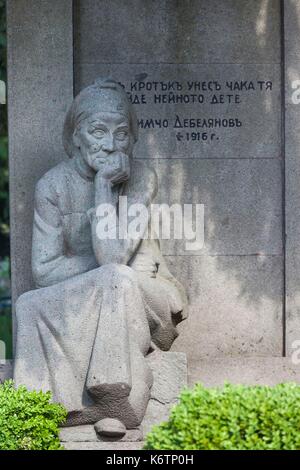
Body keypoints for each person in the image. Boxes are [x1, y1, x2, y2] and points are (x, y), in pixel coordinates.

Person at [13, 78, 187, 436]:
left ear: (132, 139)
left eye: (121, 134)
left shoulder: (141, 179)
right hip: (99, 286)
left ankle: (115, 399)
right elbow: (44, 272)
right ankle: (50, 412)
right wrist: (97, 274)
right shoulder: (52, 186)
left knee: (117, 278)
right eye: (97, 131)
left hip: (147, 294)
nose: (110, 145)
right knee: (28, 303)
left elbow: (113, 256)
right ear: (76, 136)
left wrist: (103, 188)